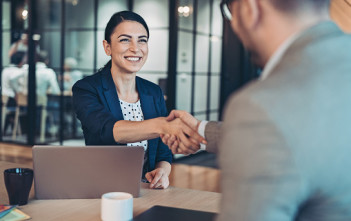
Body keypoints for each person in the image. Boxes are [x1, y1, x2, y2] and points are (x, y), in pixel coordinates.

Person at [162, 0, 351, 220]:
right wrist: (200, 129)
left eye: (229, 11)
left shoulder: (261, 106)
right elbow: (311, 132)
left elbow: (276, 128)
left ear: (250, 8)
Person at [72, 11, 205, 189]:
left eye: (142, 40)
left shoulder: (153, 92)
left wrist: (162, 171)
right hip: (102, 188)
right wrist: (162, 125)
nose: (136, 48)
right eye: (125, 39)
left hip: (145, 189)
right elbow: (106, 129)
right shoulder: (86, 88)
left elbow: (163, 152)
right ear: (107, 47)